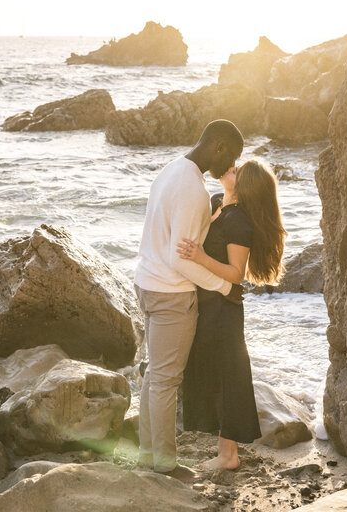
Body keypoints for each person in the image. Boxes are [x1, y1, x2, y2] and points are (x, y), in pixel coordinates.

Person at [134, 119, 244, 482]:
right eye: (231, 159)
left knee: (154, 375)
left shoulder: (171, 170)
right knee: (166, 380)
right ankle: (164, 464)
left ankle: (149, 455)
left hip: (146, 284)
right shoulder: (193, 190)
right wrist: (224, 287)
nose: (230, 169)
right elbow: (180, 257)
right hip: (171, 294)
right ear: (219, 146)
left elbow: (169, 238)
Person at [178, 159, 287, 470]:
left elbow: (236, 273)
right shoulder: (217, 204)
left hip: (224, 309)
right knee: (210, 373)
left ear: (245, 185)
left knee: (230, 379)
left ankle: (228, 456)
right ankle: (223, 452)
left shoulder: (239, 221)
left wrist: (198, 256)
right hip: (207, 303)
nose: (231, 168)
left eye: (238, 171)